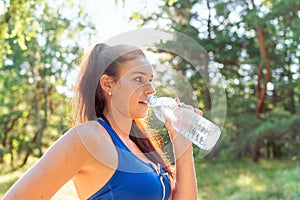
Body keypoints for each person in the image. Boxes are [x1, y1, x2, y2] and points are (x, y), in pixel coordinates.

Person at [3, 43, 201, 200]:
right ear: (108, 84)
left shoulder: (140, 144)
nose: (151, 89)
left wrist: (182, 145)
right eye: (138, 79)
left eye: (150, 79)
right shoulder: (88, 138)